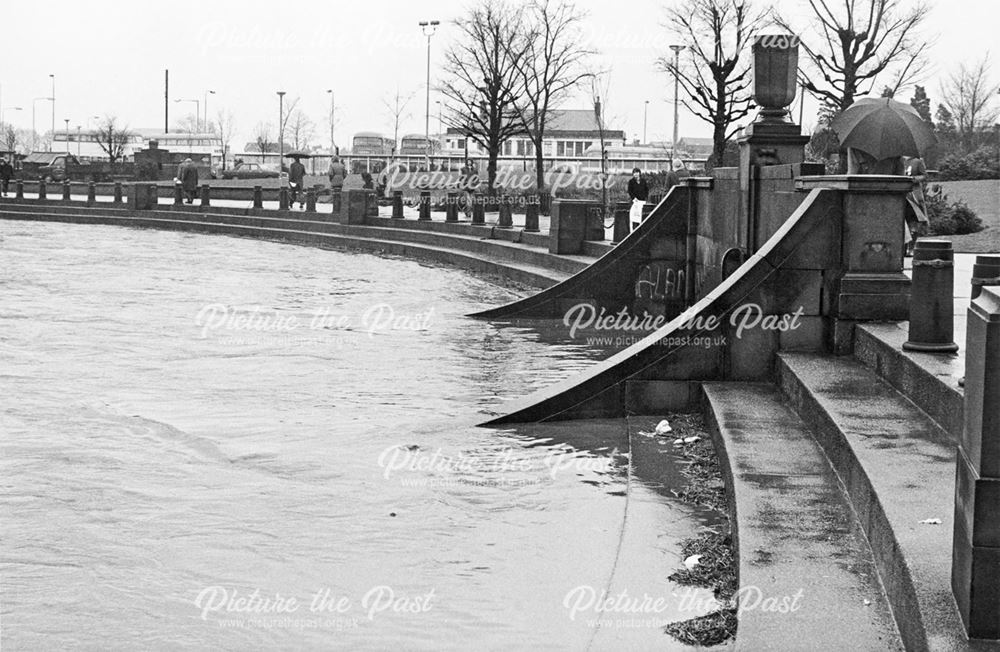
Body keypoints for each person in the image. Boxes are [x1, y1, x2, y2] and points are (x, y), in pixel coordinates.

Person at [903, 156, 930, 254]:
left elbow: (924, 175)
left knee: (913, 221)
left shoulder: (917, 161)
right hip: (901, 194)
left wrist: (914, 179)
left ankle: (911, 248)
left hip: (913, 195)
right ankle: (903, 248)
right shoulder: (899, 160)